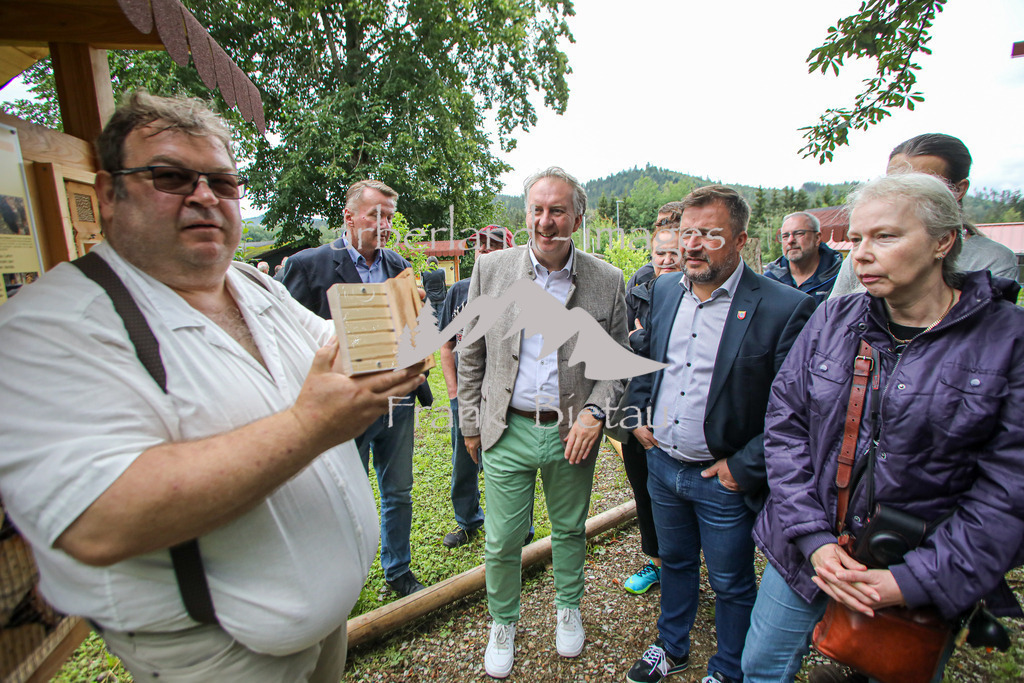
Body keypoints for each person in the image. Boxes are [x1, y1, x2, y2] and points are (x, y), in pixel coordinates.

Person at [0, 92, 424, 681]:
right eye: (170, 176)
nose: (204, 196)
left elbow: (340, 346)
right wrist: (310, 426)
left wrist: (402, 328)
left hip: (324, 633)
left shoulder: (251, 285)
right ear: (107, 195)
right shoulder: (55, 322)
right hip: (220, 658)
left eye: (222, 183)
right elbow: (98, 519)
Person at [741, 172, 1024, 682]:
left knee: (893, 672)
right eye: (856, 238)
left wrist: (913, 580)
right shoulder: (833, 321)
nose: (860, 254)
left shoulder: (1006, 343)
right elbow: (785, 427)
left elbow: (1010, 489)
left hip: (916, 563)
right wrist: (814, 539)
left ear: (943, 241)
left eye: (885, 237)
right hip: (808, 550)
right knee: (762, 666)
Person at [624, 185, 816, 683]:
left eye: (709, 234)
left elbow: (791, 411)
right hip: (663, 467)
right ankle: (672, 647)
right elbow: (648, 359)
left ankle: (728, 667)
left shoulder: (783, 307)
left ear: (740, 241)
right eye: (687, 232)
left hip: (722, 480)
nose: (691, 245)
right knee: (676, 562)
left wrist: (742, 468)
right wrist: (638, 414)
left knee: (732, 581)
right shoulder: (665, 290)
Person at [458, 166, 629, 678]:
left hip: (570, 431)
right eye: (537, 209)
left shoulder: (606, 279)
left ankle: (568, 607)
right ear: (526, 213)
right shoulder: (490, 270)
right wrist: (470, 423)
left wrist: (596, 413)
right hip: (505, 428)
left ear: (578, 216)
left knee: (570, 529)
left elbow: (617, 360)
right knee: (502, 539)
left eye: (557, 210)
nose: (545, 221)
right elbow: (470, 352)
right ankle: (502, 621)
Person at [281, 179, 433, 597]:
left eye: (390, 216)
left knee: (398, 490)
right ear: (349, 217)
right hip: (344, 405)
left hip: (398, 402)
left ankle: (398, 571)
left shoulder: (399, 264)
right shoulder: (309, 265)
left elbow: (412, 331)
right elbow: (286, 337)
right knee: (342, 493)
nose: (384, 224)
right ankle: (339, 581)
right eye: (375, 214)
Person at [830, 133, 1018, 299]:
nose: (900, 194)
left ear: (958, 189)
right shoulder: (862, 253)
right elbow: (831, 323)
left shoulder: (990, 258)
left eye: (922, 184)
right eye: (893, 183)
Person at [437, 225, 514, 549]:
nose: (484, 253)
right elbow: (444, 345)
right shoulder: (459, 292)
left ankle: (517, 528)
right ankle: (468, 521)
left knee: (510, 464)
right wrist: (454, 394)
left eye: (493, 247)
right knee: (464, 462)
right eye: (480, 247)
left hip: (503, 396)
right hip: (466, 395)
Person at [618, 213, 683, 595]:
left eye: (674, 253)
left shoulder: (698, 294)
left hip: (680, 413)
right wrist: (631, 417)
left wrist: (644, 342)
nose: (667, 259)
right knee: (643, 491)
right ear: (652, 253)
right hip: (639, 410)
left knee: (681, 496)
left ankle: (684, 566)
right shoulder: (637, 289)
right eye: (661, 253)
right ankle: (656, 562)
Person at [764, 212, 842, 305]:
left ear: (817, 238)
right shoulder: (770, 280)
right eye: (785, 236)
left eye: (799, 234)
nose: (790, 240)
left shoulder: (839, 276)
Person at [422, 255, 449, 323]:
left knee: (432, 317)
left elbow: (424, 285)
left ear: (428, 263)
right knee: (441, 316)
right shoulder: (441, 272)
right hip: (441, 297)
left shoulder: (425, 273)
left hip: (430, 297)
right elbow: (443, 283)